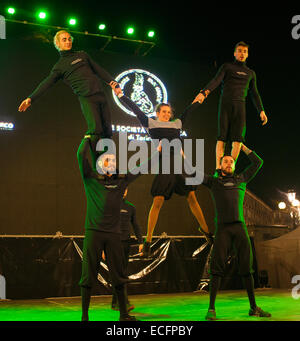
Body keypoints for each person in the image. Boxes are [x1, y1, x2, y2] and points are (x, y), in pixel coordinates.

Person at [111, 83, 213, 257]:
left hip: (179, 165)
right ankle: (148, 241)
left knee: (192, 197)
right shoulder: (151, 123)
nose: (166, 114)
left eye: (168, 112)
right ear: (158, 113)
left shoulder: (177, 123)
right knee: (158, 201)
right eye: (163, 111)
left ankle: (207, 233)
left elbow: (190, 110)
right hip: (165, 165)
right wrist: (121, 95)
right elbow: (136, 109)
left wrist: (201, 96)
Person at [77, 133, 150, 321]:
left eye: (115, 160)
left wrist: (158, 153)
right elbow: (80, 156)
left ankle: (124, 315)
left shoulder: (121, 181)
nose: (113, 162)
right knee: (88, 276)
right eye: (109, 159)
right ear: (101, 164)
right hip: (94, 232)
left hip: (114, 235)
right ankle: (85, 317)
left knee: (119, 275)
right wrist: (86, 139)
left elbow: (142, 168)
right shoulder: (90, 178)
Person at [18, 30, 121, 158]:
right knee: (96, 130)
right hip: (87, 98)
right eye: (64, 40)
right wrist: (30, 99)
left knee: (107, 131)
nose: (68, 41)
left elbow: (98, 70)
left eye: (69, 39)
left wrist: (114, 83)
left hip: (100, 95)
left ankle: (110, 166)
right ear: (57, 44)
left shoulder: (82, 55)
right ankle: (98, 167)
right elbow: (46, 83)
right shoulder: (59, 67)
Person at [201, 143, 271, 320]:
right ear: (220, 165)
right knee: (216, 269)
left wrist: (244, 148)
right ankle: (211, 308)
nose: (229, 163)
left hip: (240, 228)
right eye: (225, 161)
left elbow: (258, 162)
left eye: (231, 161)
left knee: (247, 269)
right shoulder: (213, 181)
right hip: (223, 229)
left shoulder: (241, 179)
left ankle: (253, 307)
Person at [194, 41, 268, 171]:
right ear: (235, 53)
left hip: (240, 107)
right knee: (222, 138)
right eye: (239, 51)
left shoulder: (250, 73)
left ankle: (230, 169)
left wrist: (261, 110)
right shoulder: (227, 67)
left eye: (244, 51)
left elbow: (255, 93)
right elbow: (216, 81)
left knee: (237, 141)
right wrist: (204, 93)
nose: (242, 53)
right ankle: (218, 169)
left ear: (247, 55)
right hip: (226, 105)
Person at [103, 188, 143, 312]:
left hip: (126, 244)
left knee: (122, 273)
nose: (124, 191)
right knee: (118, 274)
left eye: (126, 189)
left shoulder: (131, 208)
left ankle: (115, 303)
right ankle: (124, 303)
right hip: (113, 243)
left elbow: (135, 225)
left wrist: (141, 241)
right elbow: (104, 225)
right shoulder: (110, 205)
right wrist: (103, 248)